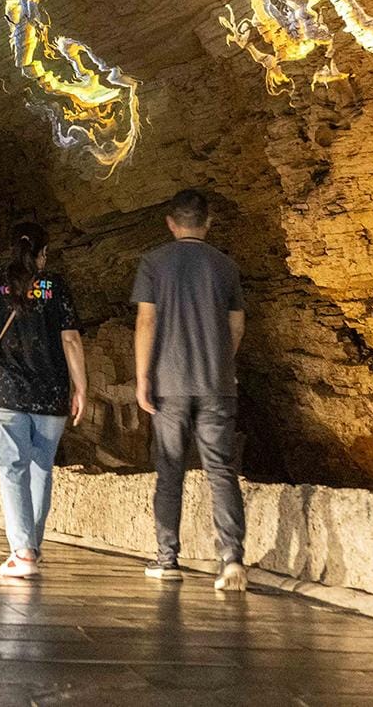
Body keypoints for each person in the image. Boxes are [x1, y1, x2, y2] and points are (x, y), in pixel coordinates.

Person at [133, 188, 248, 593]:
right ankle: (231, 559)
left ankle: (167, 560)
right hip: (217, 384)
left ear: (170, 222)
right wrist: (221, 362)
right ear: (208, 222)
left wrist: (142, 377)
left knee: (169, 472)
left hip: (169, 384)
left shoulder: (153, 263)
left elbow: (146, 322)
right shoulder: (226, 267)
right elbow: (236, 325)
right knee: (221, 471)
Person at [0, 222, 85, 579]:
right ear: (42, 254)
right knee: (40, 469)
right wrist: (82, 386)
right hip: (51, 395)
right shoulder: (54, 286)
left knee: (13, 470)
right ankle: (32, 546)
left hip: (8, 392)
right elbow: (71, 339)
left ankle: (23, 552)